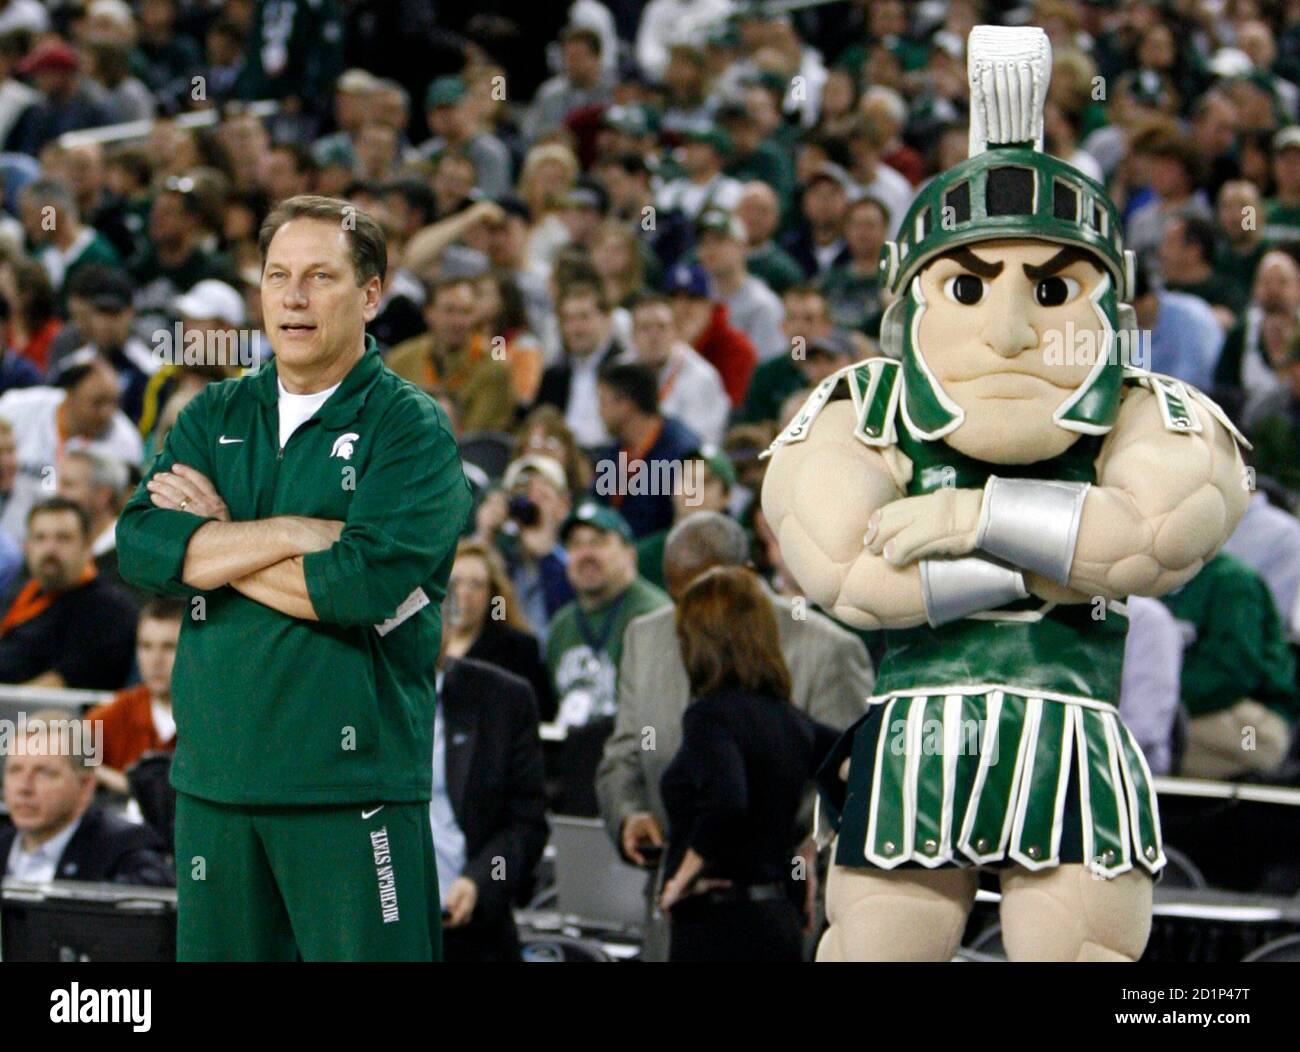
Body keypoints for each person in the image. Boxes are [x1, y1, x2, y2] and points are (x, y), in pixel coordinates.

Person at [115, 195, 473, 962]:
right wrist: (286, 533)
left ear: (372, 294)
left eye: (320, 277)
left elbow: (353, 586)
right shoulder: (212, 412)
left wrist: (209, 544)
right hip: (215, 784)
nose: (294, 298)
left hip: (352, 792)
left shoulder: (410, 427)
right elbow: (142, 545)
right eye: (277, 276)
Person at [597, 511, 872, 959]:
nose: (692, 613)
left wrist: (814, 844)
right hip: (679, 919)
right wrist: (630, 814)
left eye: (705, 592)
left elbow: (855, 778)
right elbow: (624, 754)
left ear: (745, 575)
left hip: (782, 906)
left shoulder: (828, 651)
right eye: (680, 595)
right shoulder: (644, 639)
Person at [659, 565, 840, 962]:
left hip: (717, 927)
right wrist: (808, 852)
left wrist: (681, 880)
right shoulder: (791, 719)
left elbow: (726, 799)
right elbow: (857, 759)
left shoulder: (708, 717)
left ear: (698, 641)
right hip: (777, 923)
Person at [546, 502, 670, 814]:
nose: (586, 553)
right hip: (574, 774)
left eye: (599, 542)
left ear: (630, 553)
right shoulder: (562, 624)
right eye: (576, 544)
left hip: (636, 780)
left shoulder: (655, 615)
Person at [436, 649, 549, 962]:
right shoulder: (349, 700)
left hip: (473, 935)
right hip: (378, 931)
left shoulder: (504, 699)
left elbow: (526, 823)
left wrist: (479, 882)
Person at [1161, 552, 1299, 780]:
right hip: (1185, 712)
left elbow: (1236, 675)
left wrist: (1161, 702)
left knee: (1138, 743)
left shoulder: (1234, 581)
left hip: (1252, 724)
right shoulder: (1149, 580)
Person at [1, 711, 174, 886]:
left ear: (85, 786)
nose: (24, 787)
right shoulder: (3, 841)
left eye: (44, 773)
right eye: (15, 770)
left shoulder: (125, 852)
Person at [0, 349, 143, 543]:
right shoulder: (16, 408)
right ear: (69, 394)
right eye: (98, 402)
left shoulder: (125, 441)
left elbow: (122, 508)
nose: (107, 413)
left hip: (78, 540)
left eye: (113, 402)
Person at [0, 497, 136, 688]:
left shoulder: (108, 608)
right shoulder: (21, 591)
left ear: (87, 545)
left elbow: (59, 684)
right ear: (27, 546)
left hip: (49, 714)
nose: (50, 549)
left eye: (63, 538)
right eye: (40, 538)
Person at [384, 275, 515, 432]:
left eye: (466, 312)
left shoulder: (494, 368)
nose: (458, 321)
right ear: (428, 313)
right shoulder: (400, 359)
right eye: (449, 311)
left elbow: (481, 438)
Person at [444, 538, 555, 722]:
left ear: (492, 595)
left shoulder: (517, 650)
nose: (464, 593)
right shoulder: (420, 645)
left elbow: (539, 714)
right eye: (455, 582)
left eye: (476, 584)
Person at [591, 361, 702, 540]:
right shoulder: (615, 453)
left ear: (625, 405)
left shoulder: (681, 450)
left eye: (603, 402)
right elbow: (598, 504)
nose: (599, 411)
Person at [85, 597, 183, 797]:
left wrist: (127, 786)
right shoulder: (114, 715)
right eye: (146, 646)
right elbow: (66, 760)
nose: (155, 660)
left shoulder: (218, 719)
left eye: (169, 647)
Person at [535, 281, 631, 449]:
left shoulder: (625, 369)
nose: (575, 328)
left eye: (584, 317)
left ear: (606, 319)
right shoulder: (555, 374)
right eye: (568, 320)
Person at [628, 291, 728, 448]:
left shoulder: (702, 377)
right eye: (645, 328)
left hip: (683, 463)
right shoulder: (619, 372)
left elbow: (701, 441)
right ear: (632, 336)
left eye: (662, 327)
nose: (654, 336)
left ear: (675, 331)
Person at [54, 447, 130, 587]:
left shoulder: (127, 557)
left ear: (103, 495)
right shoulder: (51, 546)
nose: (58, 494)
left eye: (68, 485)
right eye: (59, 484)